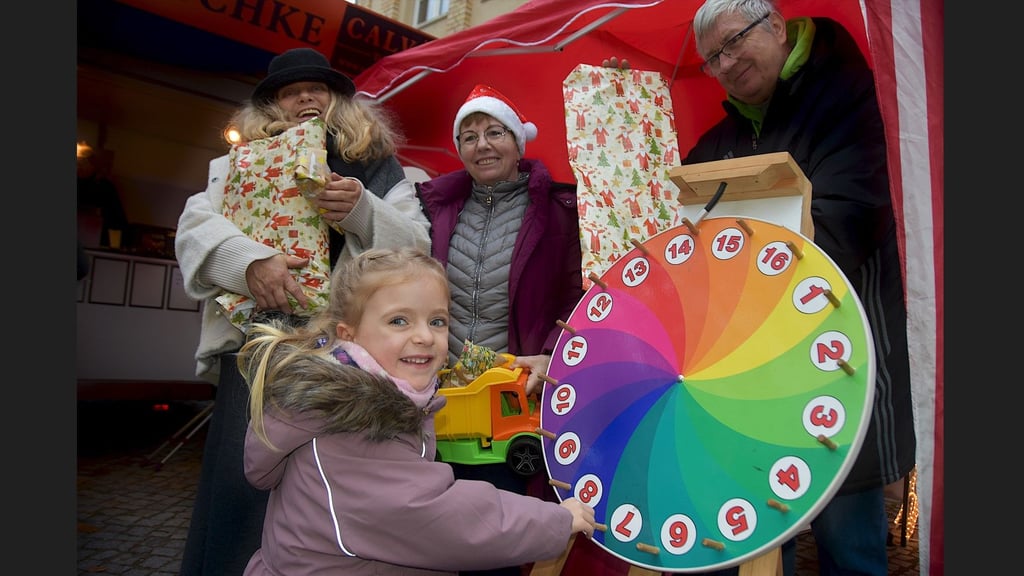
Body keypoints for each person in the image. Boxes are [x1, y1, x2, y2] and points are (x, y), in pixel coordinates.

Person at [174, 47, 431, 576]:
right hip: (257, 350)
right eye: (292, 92)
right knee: (241, 484)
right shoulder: (237, 163)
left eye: (318, 88)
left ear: (338, 101)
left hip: (345, 357)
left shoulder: (376, 167)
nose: (306, 97)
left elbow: (419, 245)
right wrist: (250, 263)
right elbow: (194, 229)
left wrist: (364, 210)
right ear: (274, 107)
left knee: (331, 486)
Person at [682, 1, 916, 575]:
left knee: (847, 538)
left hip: (836, 352)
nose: (728, 62)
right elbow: (683, 236)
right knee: (757, 529)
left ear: (778, 26)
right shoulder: (718, 141)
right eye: (713, 57)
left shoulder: (849, 98)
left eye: (735, 42)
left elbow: (850, 218)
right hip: (745, 371)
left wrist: (752, 297)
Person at [239, 247, 598, 575]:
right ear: (348, 334)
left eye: (437, 321)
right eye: (399, 321)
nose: (425, 337)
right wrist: (554, 520)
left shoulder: (370, 401)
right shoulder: (349, 425)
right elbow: (432, 516)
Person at [415, 84, 629, 576]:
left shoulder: (562, 210)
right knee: (442, 523)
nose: (482, 145)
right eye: (468, 137)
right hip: (439, 395)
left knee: (503, 525)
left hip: (515, 395)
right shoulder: (435, 208)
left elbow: (585, 291)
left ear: (518, 141)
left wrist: (554, 353)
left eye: (495, 132)